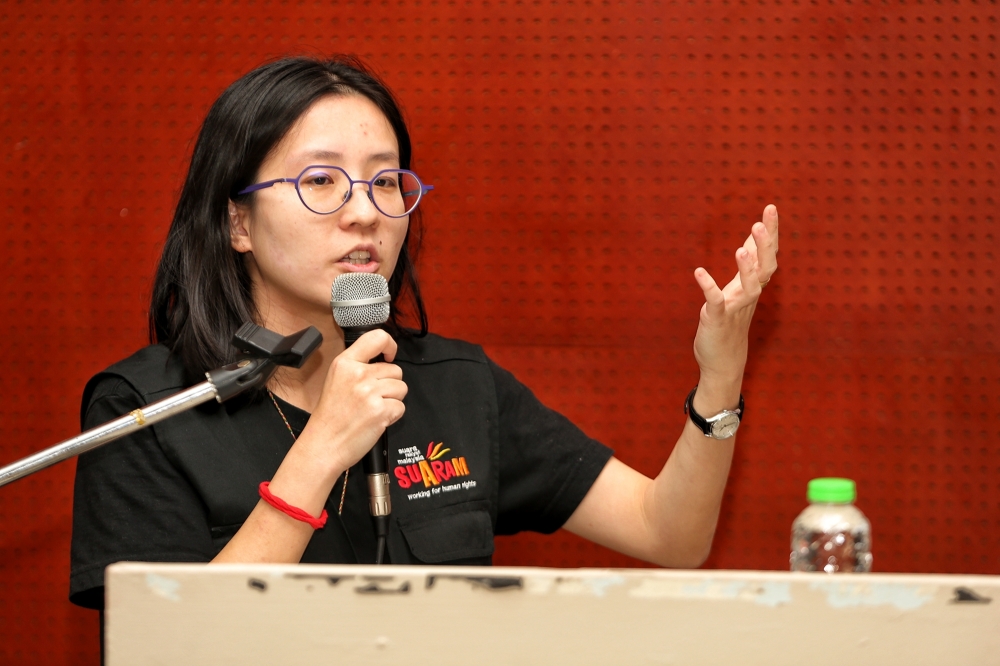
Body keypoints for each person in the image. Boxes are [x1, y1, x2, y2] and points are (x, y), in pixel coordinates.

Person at [69, 55, 779, 610]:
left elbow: (670, 533)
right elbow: (175, 644)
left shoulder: (457, 386)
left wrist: (721, 375)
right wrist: (319, 452)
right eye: (321, 181)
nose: (364, 214)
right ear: (238, 223)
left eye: (385, 183)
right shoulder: (145, 411)